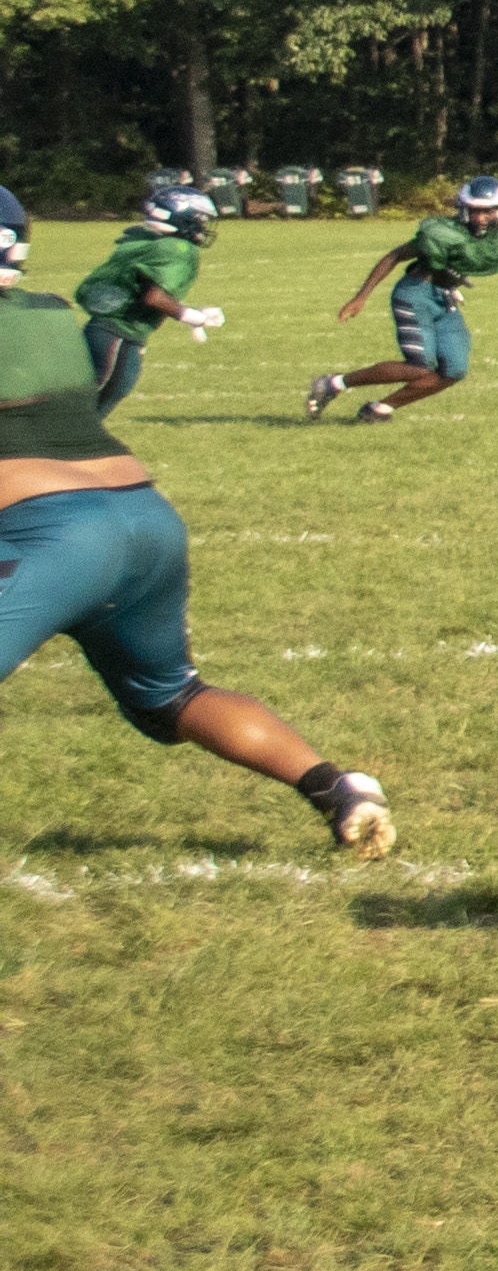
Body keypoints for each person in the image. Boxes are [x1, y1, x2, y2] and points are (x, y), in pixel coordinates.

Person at [0, 181, 392, 857]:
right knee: (171, 697)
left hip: (53, 535)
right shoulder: (46, 313)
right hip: (144, 519)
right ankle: (336, 788)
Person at [308, 171, 498, 423]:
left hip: (444, 298)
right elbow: (395, 256)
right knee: (419, 366)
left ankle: (380, 409)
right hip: (415, 293)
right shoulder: (443, 231)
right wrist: (361, 296)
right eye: (474, 210)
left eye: (488, 211)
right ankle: (334, 383)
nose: (481, 218)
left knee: (454, 370)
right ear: (463, 208)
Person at [73, 174, 222, 411]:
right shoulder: (178, 248)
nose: (202, 225)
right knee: (87, 414)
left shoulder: (147, 240)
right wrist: (192, 316)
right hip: (120, 335)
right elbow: (154, 297)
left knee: (82, 408)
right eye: (199, 218)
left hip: (101, 329)